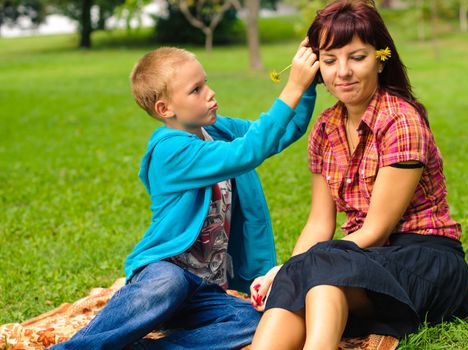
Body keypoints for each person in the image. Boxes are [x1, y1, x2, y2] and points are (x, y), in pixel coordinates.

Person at [50, 41, 319, 350]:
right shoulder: (169, 150)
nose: (210, 93)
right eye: (196, 90)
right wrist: (292, 87)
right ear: (166, 109)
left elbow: (280, 132)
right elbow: (248, 151)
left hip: (206, 292)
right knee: (169, 283)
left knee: (264, 321)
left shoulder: (217, 130)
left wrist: (308, 84)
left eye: (206, 83)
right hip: (163, 277)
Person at [249, 1, 468, 349]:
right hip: (355, 262)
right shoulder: (325, 128)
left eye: (357, 57)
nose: (343, 72)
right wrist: (288, 271)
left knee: (320, 270)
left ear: (380, 59)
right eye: (329, 60)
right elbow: (319, 224)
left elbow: (376, 229)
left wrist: (298, 266)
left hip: (423, 260)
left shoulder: (401, 121)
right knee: (308, 281)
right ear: (315, 66)